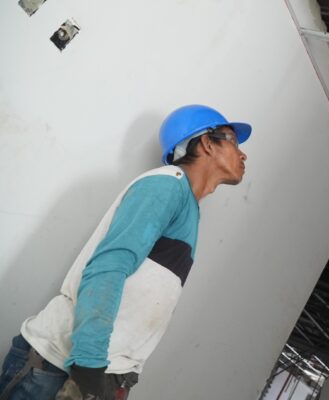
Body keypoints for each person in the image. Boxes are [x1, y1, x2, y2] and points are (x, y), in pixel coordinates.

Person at [0, 105, 251, 400]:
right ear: (207, 143)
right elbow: (109, 266)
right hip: (60, 370)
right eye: (233, 142)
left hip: (100, 376)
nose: (243, 154)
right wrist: (90, 366)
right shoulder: (167, 185)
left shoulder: (188, 211)